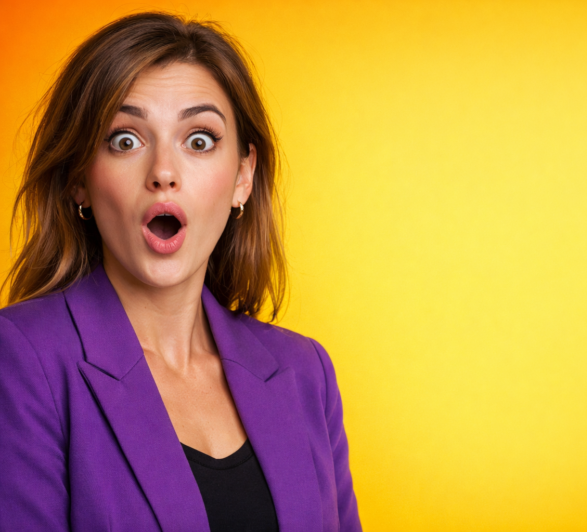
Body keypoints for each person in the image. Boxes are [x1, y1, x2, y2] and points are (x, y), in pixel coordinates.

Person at [0, 12, 361, 532]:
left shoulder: (306, 372)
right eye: (126, 140)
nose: (163, 173)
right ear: (80, 179)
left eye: (199, 140)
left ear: (243, 176)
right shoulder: (23, 360)